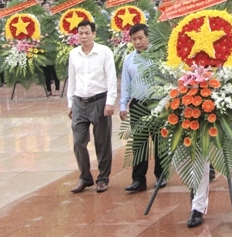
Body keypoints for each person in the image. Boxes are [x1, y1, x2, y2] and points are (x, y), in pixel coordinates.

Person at [67, 20, 117, 194]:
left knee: (102, 142)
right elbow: (71, 79)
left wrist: (110, 102)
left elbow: (111, 77)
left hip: (100, 101)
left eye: (87, 32)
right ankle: (85, 177)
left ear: (94, 34)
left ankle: (102, 178)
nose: (84, 36)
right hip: (79, 102)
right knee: (78, 141)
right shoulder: (74, 54)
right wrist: (70, 103)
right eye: (80, 33)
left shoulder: (104, 52)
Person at [120, 24, 165, 192]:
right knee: (139, 142)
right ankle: (138, 179)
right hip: (138, 104)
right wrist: (123, 104)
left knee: (159, 141)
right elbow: (126, 83)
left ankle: (161, 175)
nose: (137, 42)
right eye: (134, 39)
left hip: (157, 103)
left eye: (141, 38)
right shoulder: (129, 59)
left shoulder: (158, 55)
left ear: (148, 37)